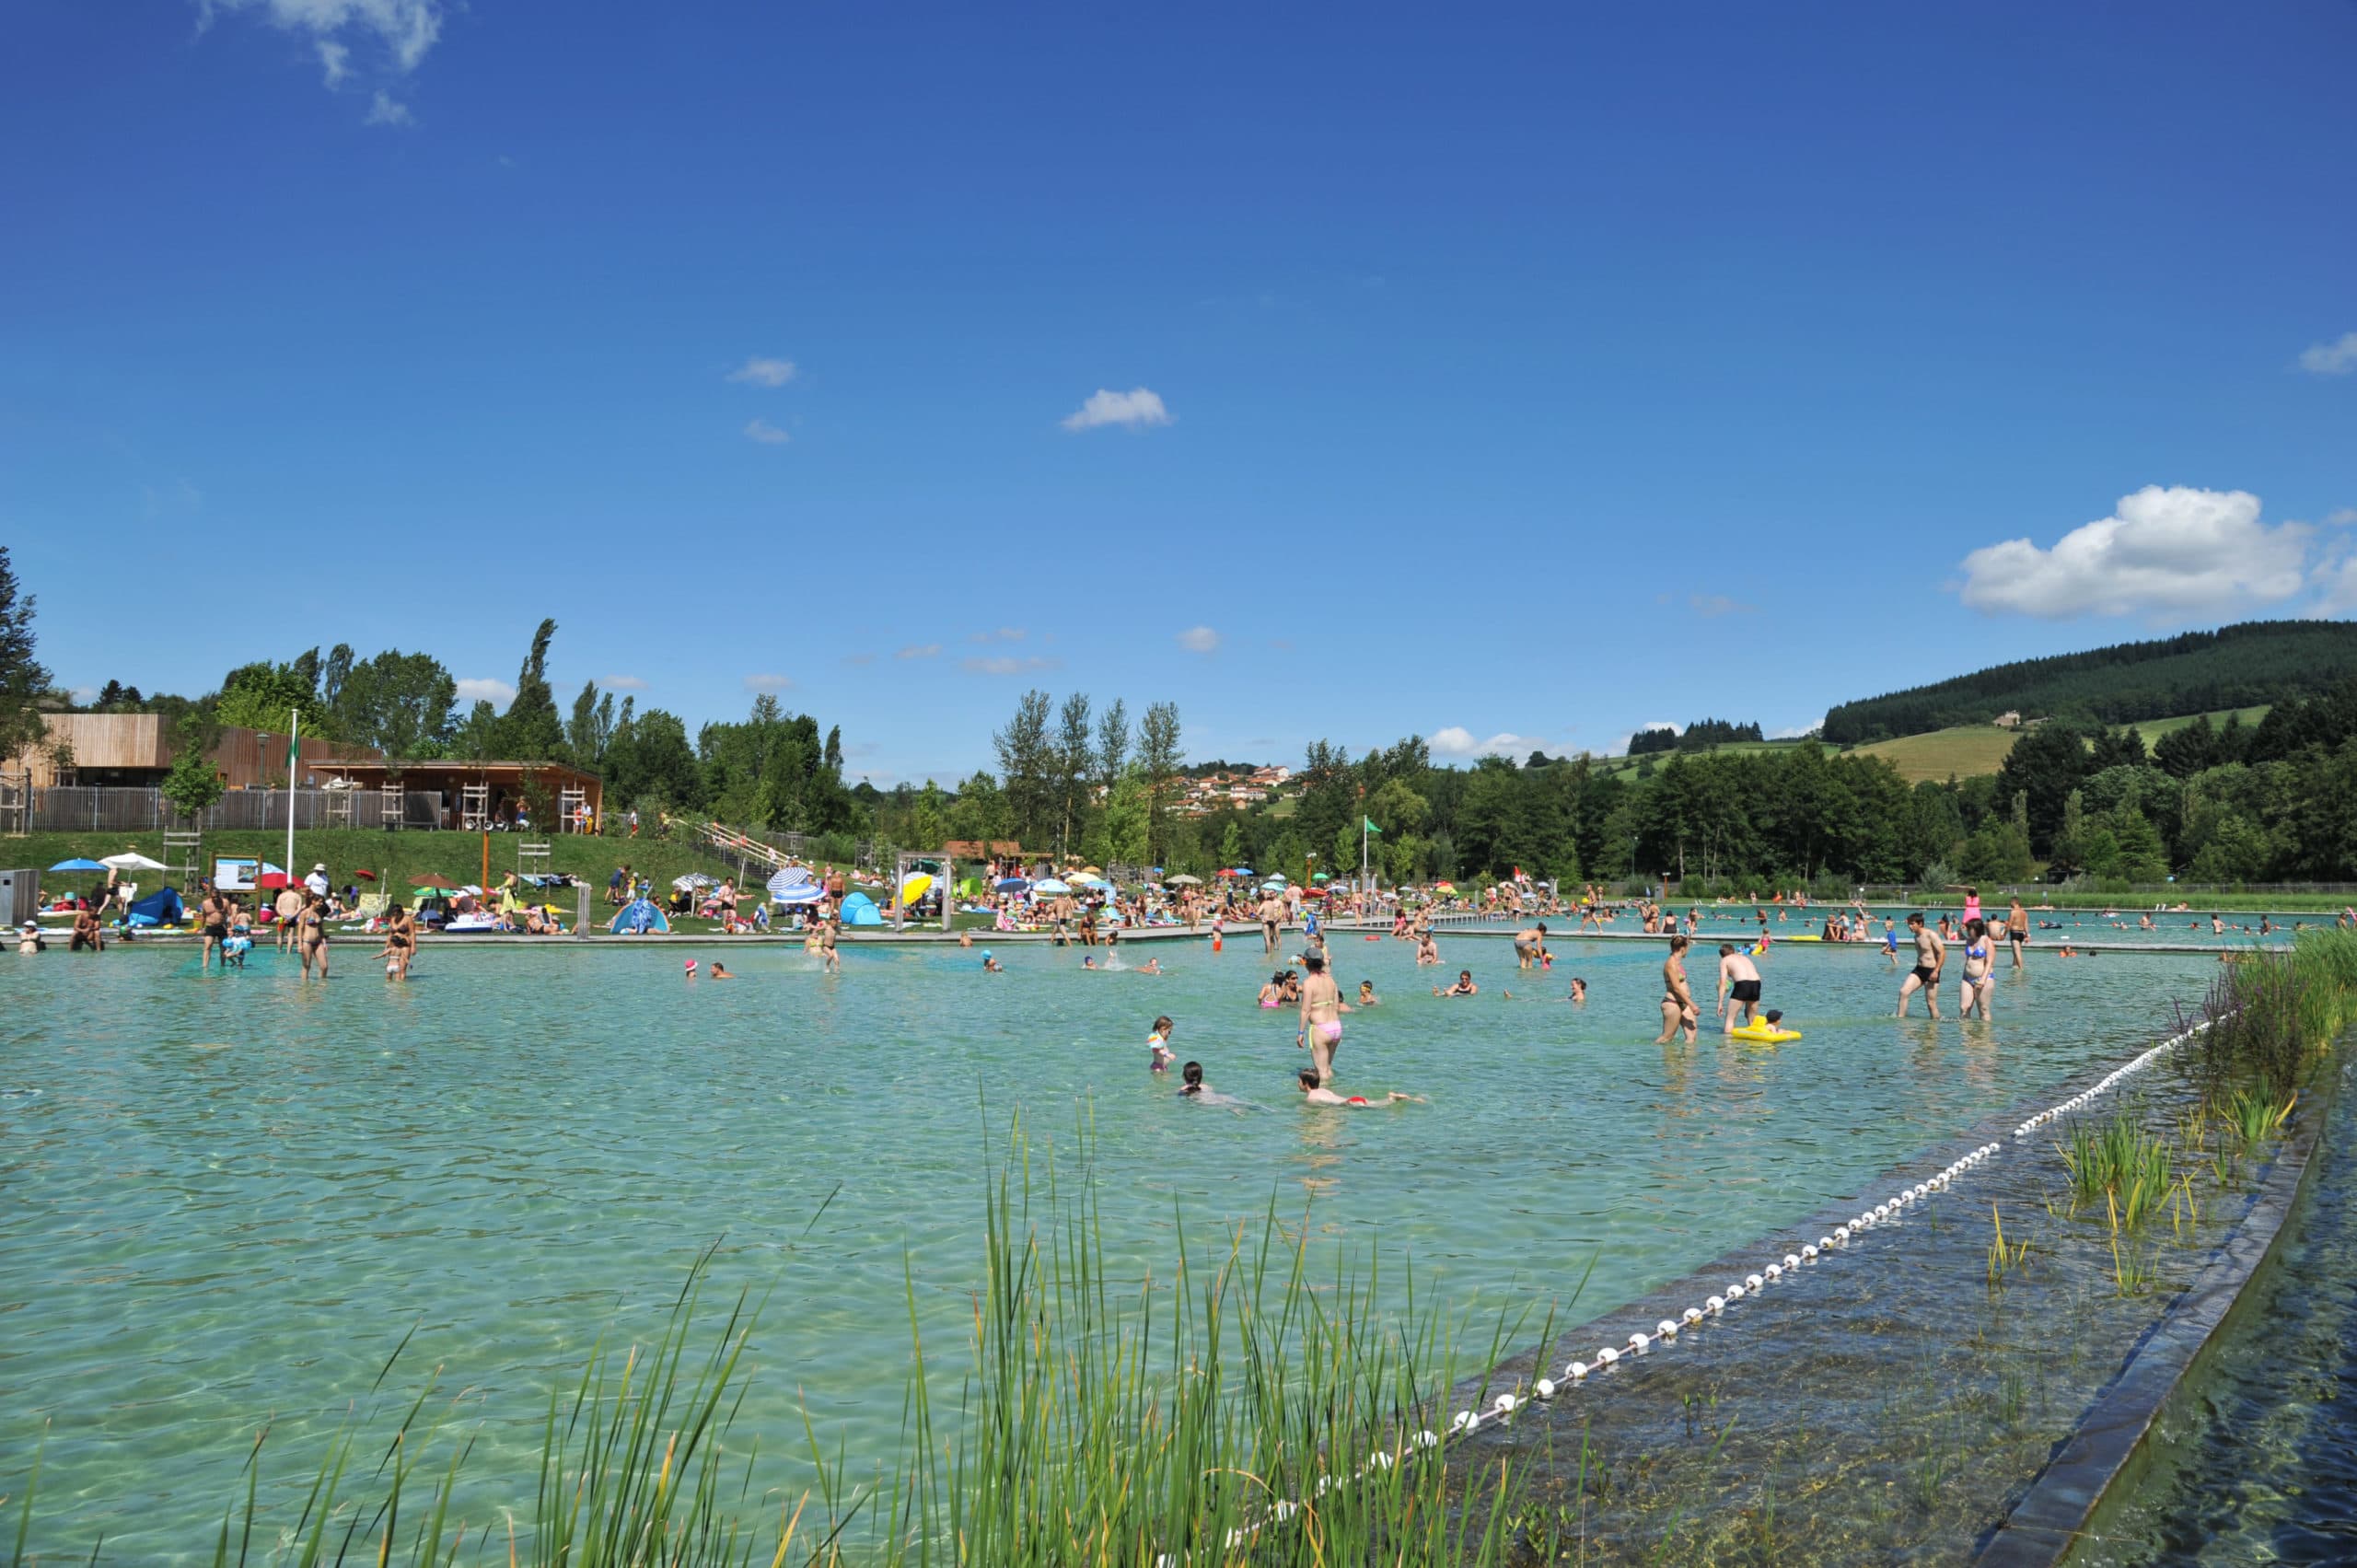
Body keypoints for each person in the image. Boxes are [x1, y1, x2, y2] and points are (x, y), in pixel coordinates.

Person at [1297, 952, 1343, 1084]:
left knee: (1321, 1073)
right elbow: (1336, 1006)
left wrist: (1300, 1033)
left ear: (1306, 962)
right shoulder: (1331, 980)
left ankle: (1325, 1102)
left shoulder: (1308, 983)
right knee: (1328, 1069)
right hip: (1336, 1027)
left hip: (1320, 1028)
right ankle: (1333, 1094)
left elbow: (1305, 1010)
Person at [1897, 912, 1944, 1018]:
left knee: (1931, 1004)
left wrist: (1936, 971)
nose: (1910, 926)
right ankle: (1900, 1020)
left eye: (1912, 924)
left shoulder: (1931, 935)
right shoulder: (1916, 936)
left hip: (1931, 970)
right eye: (1909, 924)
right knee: (1904, 992)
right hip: (1919, 969)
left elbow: (1942, 953)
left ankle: (1934, 1029)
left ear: (1920, 923)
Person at [1298, 1067, 1422, 1107]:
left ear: (1306, 1084)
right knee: (1375, 1103)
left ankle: (1392, 1099)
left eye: (1299, 1081)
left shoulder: (1310, 1097)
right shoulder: (1323, 1090)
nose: (1297, 1083)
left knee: (1377, 1107)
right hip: (1353, 1099)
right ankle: (1409, 1099)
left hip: (1350, 1103)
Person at [1657, 935, 1698, 1044]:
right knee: (1667, 1038)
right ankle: (1652, 1056)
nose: (1687, 951)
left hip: (1684, 1003)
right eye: (1687, 948)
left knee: (1692, 1037)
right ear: (1683, 948)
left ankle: (1687, 1061)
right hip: (1673, 1003)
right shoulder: (1671, 964)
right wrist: (1692, 1004)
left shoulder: (1678, 963)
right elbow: (1676, 988)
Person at [1716, 943, 1762, 1033]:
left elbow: (1723, 982)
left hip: (1742, 984)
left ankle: (1727, 1044)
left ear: (1722, 955)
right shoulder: (1745, 958)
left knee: (1730, 1019)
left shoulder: (1724, 960)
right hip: (1756, 983)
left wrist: (1720, 1003)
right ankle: (1754, 1045)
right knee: (1752, 1019)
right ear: (1733, 951)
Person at [1958, 919, 1993, 1019]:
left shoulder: (1986, 941)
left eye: (1970, 929)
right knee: (1964, 1008)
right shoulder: (1969, 941)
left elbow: (1989, 962)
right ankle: (1966, 1034)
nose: (1968, 931)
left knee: (1983, 1009)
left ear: (1976, 929)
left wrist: (1983, 980)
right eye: (1967, 928)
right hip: (1967, 979)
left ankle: (1984, 1034)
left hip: (1984, 979)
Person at [297, 891, 330, 979]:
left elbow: (321, 930)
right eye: (320, 901)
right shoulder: (305, 913)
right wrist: (299, 944)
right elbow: (300, 929)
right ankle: (304, 988)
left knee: (324, 967)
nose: (321, 904)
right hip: (307, 942)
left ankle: (322, 985)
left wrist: (324, 942)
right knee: (306, 966)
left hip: (318, 942)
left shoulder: (318, 914)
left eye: (322, 902)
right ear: (313, 901)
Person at [198, 883, 228, 971]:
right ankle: (205, 966)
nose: (215, 899)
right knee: (208, 945)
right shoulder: (206, 903)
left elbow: (230, 915)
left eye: (217, 897)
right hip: (210, 926)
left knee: (223, 947)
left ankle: (222, 965)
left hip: (221, 926)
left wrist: (230, 928)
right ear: (211, 896)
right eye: (213, 897)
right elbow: (203, 916)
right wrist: (202, 928)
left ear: (219, 895)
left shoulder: (225, 902)